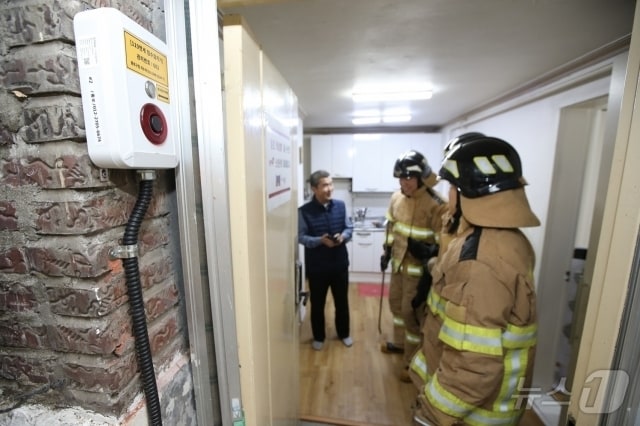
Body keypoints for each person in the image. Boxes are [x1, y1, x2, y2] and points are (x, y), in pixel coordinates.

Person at [409, 135, 540, 426]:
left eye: (452, 186)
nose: (448, 194)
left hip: (467, 415)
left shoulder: (480, 262)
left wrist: (430, 415)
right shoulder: (510, 239)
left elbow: (473, 364)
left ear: (466, 190)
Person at [379, 150, 448, 382]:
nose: (403, 183)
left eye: (408, 178)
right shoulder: (396, 198)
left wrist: (429, 252)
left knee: (411, 316)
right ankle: (400, 345)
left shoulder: (438, 205)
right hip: (398, 267)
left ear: (421, 178)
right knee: (396, 308)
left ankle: (412, 362)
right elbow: (391, 226)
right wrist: (387, 250)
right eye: (400, 178)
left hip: (420, 274)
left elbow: (446, 245)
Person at [298, 170, 354, 351]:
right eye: (324, 185)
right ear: (314, 188)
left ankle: (344, 333)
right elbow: (301, 237)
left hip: (339, 265)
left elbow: (349, 228)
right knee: (318, 304)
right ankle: (319, 337)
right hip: (317, 267)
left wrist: (343, 237)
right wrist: (319, 241)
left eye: (331, 184)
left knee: (342, 302)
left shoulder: (340, 205)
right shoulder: (304, 211)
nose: (329, 189)